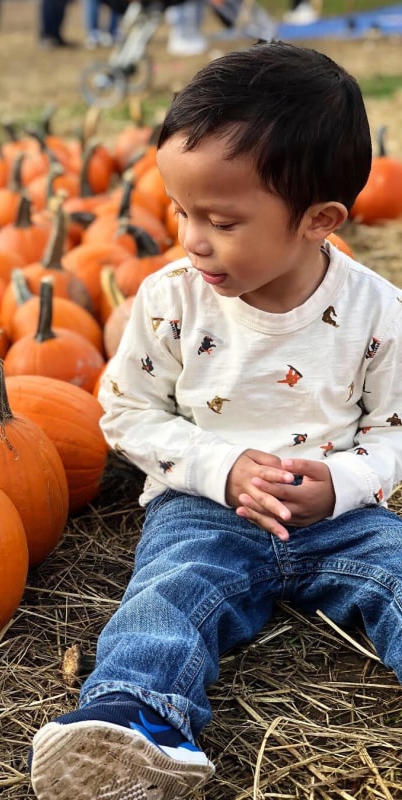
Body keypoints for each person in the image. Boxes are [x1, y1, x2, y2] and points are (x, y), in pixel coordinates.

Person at [29, 41, 402, 800]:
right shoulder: (170, 302)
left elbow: (396, 427)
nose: (192, 239)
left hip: (341, 516)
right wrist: (216, 469)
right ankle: (135, 723)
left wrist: (344, 484)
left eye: (221, 220)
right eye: (180, 211)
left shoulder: (376, 313)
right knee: (168, 592)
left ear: (319, 220)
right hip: (206, 508)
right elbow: (127, 410)